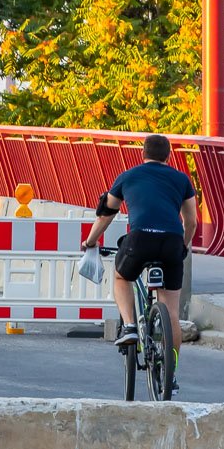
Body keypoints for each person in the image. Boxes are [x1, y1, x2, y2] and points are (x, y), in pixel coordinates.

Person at [81, 134, 197, 392]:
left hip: (139, 240)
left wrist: (90, 242)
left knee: (122, 277)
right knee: (173, 314)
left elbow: (105, 215)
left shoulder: (128, 176)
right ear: (169, 155)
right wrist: (184, 245)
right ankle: (171, 371)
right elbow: (191, 222)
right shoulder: (182, 180)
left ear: (143, 154)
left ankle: (131, 327)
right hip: (170, 242)